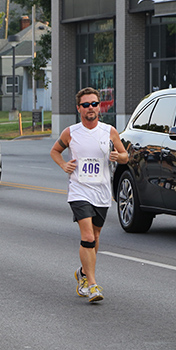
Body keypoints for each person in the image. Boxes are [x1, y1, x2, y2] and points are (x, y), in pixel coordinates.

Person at [50, 87, 129, 303]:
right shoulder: (71, 132)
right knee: (86, 236)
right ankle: (92, 285)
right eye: (86, 105)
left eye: (94, 104)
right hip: (79, 190)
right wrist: (63, 164)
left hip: (102, 191)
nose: (91, 108)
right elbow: (54, 151)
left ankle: (83, 273)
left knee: (95, 237)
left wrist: (117, 156)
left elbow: (125, 155)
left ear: (99, 107)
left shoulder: (109, 131)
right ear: (79, 109)